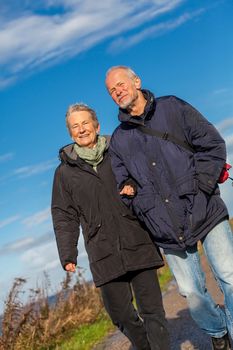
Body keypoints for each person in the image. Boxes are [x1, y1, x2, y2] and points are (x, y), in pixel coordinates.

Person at [105, 65, 233, 350]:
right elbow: (123, 183)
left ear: (136, 81)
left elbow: (211, 144)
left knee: (230, 275)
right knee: (190, 292)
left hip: (205, 206)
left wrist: (202, 186)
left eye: (121, 84)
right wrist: (133, 196)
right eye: (112, 90)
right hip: (165, 225)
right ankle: (218, 331)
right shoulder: (119, 140)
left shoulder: (173, 107)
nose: (118, 92)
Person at [51, 103, 170, 350]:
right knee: (121, 314)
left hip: (136, 238)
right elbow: (64, 215)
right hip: (102, 250)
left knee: (153, 311)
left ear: (97, 125)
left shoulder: (118, 150)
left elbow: (144, 177)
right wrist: (67, 253)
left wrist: (133, 187)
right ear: (70, 133)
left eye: (85, 123)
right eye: (75, 126)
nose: (81, 129)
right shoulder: (64, 173)